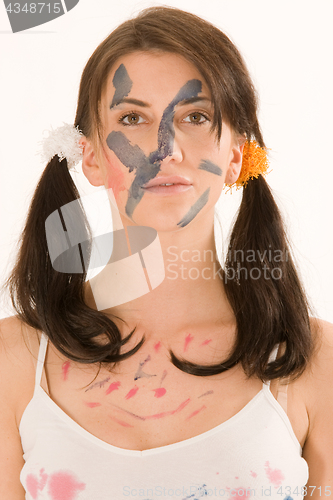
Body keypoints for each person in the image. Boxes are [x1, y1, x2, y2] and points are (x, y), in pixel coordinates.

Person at [1, 6, 332, 499]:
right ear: (90, 156)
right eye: (132, 118)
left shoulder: (312, 359)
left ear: (236, 156)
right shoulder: (15, 359)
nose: (164, 148)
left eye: (195, 116)